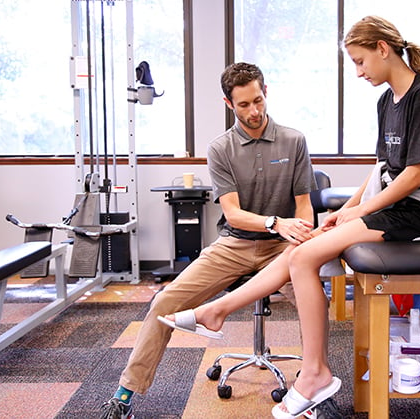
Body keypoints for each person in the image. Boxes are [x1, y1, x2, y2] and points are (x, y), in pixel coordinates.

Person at [159, 15, 420, 418]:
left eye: (360, 61)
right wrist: (347, 209)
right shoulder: (388, 100)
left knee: (303, 255)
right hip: (394, 207)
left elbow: (414, 176)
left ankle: (309, 368)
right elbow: (381, 168)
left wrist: (362, 211)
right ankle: (219, 313)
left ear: (382, 49)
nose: (358, 72)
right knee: (305, 246)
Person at [99, 62, 317, 419]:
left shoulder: (294, 140)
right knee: (165, 301)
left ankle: (313, 385)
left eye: (258, 100)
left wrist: (301, 237)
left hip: (283, 247)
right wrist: (276, 223)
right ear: (229, 104)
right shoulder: (221, 148)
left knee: (315, 304)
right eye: (244, 104)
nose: (254, 111)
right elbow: (232, 213)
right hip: (236, 244)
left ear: (266, 92)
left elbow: (305, 206)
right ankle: (125, 394)